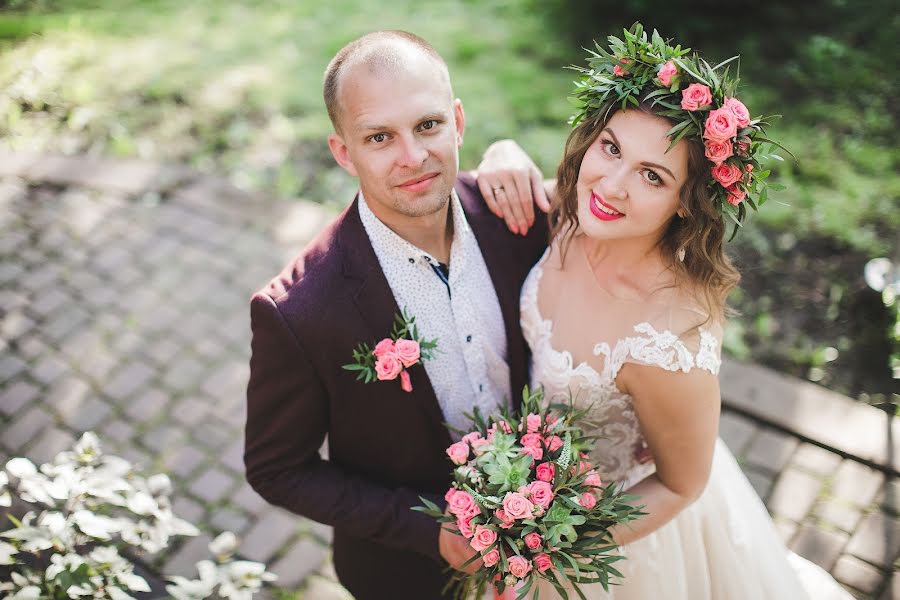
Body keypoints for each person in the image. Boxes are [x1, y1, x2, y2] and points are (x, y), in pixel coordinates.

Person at [478, 24, 853, 600]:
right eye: (611, 147)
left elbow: (681, 485)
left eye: (653, 175)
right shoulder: (576, 209)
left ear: (685, 201)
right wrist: (501, 153)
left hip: (612, 540)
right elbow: (532, 182)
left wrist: (548, 549)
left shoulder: (666, 339)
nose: (613, 185)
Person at [243, 30, 548, 599]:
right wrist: (430, 531)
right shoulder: (299, 311)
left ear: (457, 122)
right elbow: (277, 469)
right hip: (407, 577)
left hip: (548, 545)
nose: (413, 157)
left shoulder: (520, 217)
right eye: (379, 137)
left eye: (428, 126)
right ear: (343, 152)